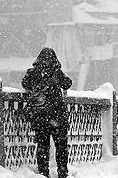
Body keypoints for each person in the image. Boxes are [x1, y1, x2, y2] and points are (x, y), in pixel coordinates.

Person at [22, 47, 73, 178]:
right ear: (54, 59)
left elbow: (25, 83)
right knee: (61, 146)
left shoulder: (33, 73)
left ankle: (44, 173)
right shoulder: (56, 72)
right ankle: (62, 171)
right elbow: (67, 84)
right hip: (57, 117)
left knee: (42, 146)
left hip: (40, 117)